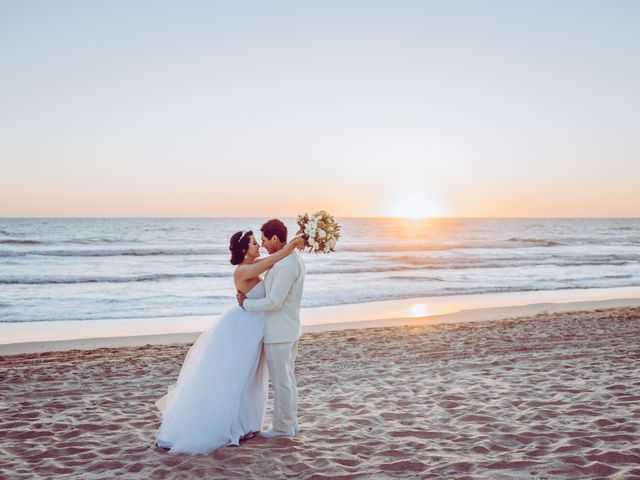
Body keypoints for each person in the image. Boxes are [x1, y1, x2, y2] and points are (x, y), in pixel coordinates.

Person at [155, 229, 304, 454]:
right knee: (233, 378)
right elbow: (275, 258)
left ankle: (245, 424)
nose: (259, 246)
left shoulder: (256, 264)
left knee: (248, 380)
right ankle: (223, 425)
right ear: (245, 250)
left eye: (260, 241)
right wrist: (292, 244)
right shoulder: (243, 270)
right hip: (242, 330)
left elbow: (275, 258)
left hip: (255, 330)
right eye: (255, 243)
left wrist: (293, 245)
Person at [237, 218, 306, 438]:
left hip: (280, 332)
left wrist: (246, 304)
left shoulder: (286, 264)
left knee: (282, 382)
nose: (263, 245)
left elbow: (274, 302)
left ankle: (283, 427)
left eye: (265, 240)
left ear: (275, 238)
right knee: (287, 379)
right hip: (287, 329)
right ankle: (291, 423)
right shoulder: (290, 258)